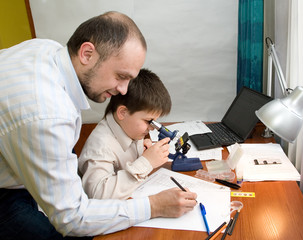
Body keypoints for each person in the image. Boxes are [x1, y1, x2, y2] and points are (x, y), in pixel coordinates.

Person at [0, 11, 197, 239]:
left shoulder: (45, 50)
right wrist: (155, 206)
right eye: (120, 76)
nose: (123, 90)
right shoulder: (46, 115)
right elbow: (73, 219)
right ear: (87, 53)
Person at [79, 68, 171, 200]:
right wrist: (146, 162)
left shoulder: (129, 127)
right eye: (148, 121)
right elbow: (98, 195)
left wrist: (142, 153)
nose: (152, 128)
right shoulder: (101, 146)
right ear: (123, 113)